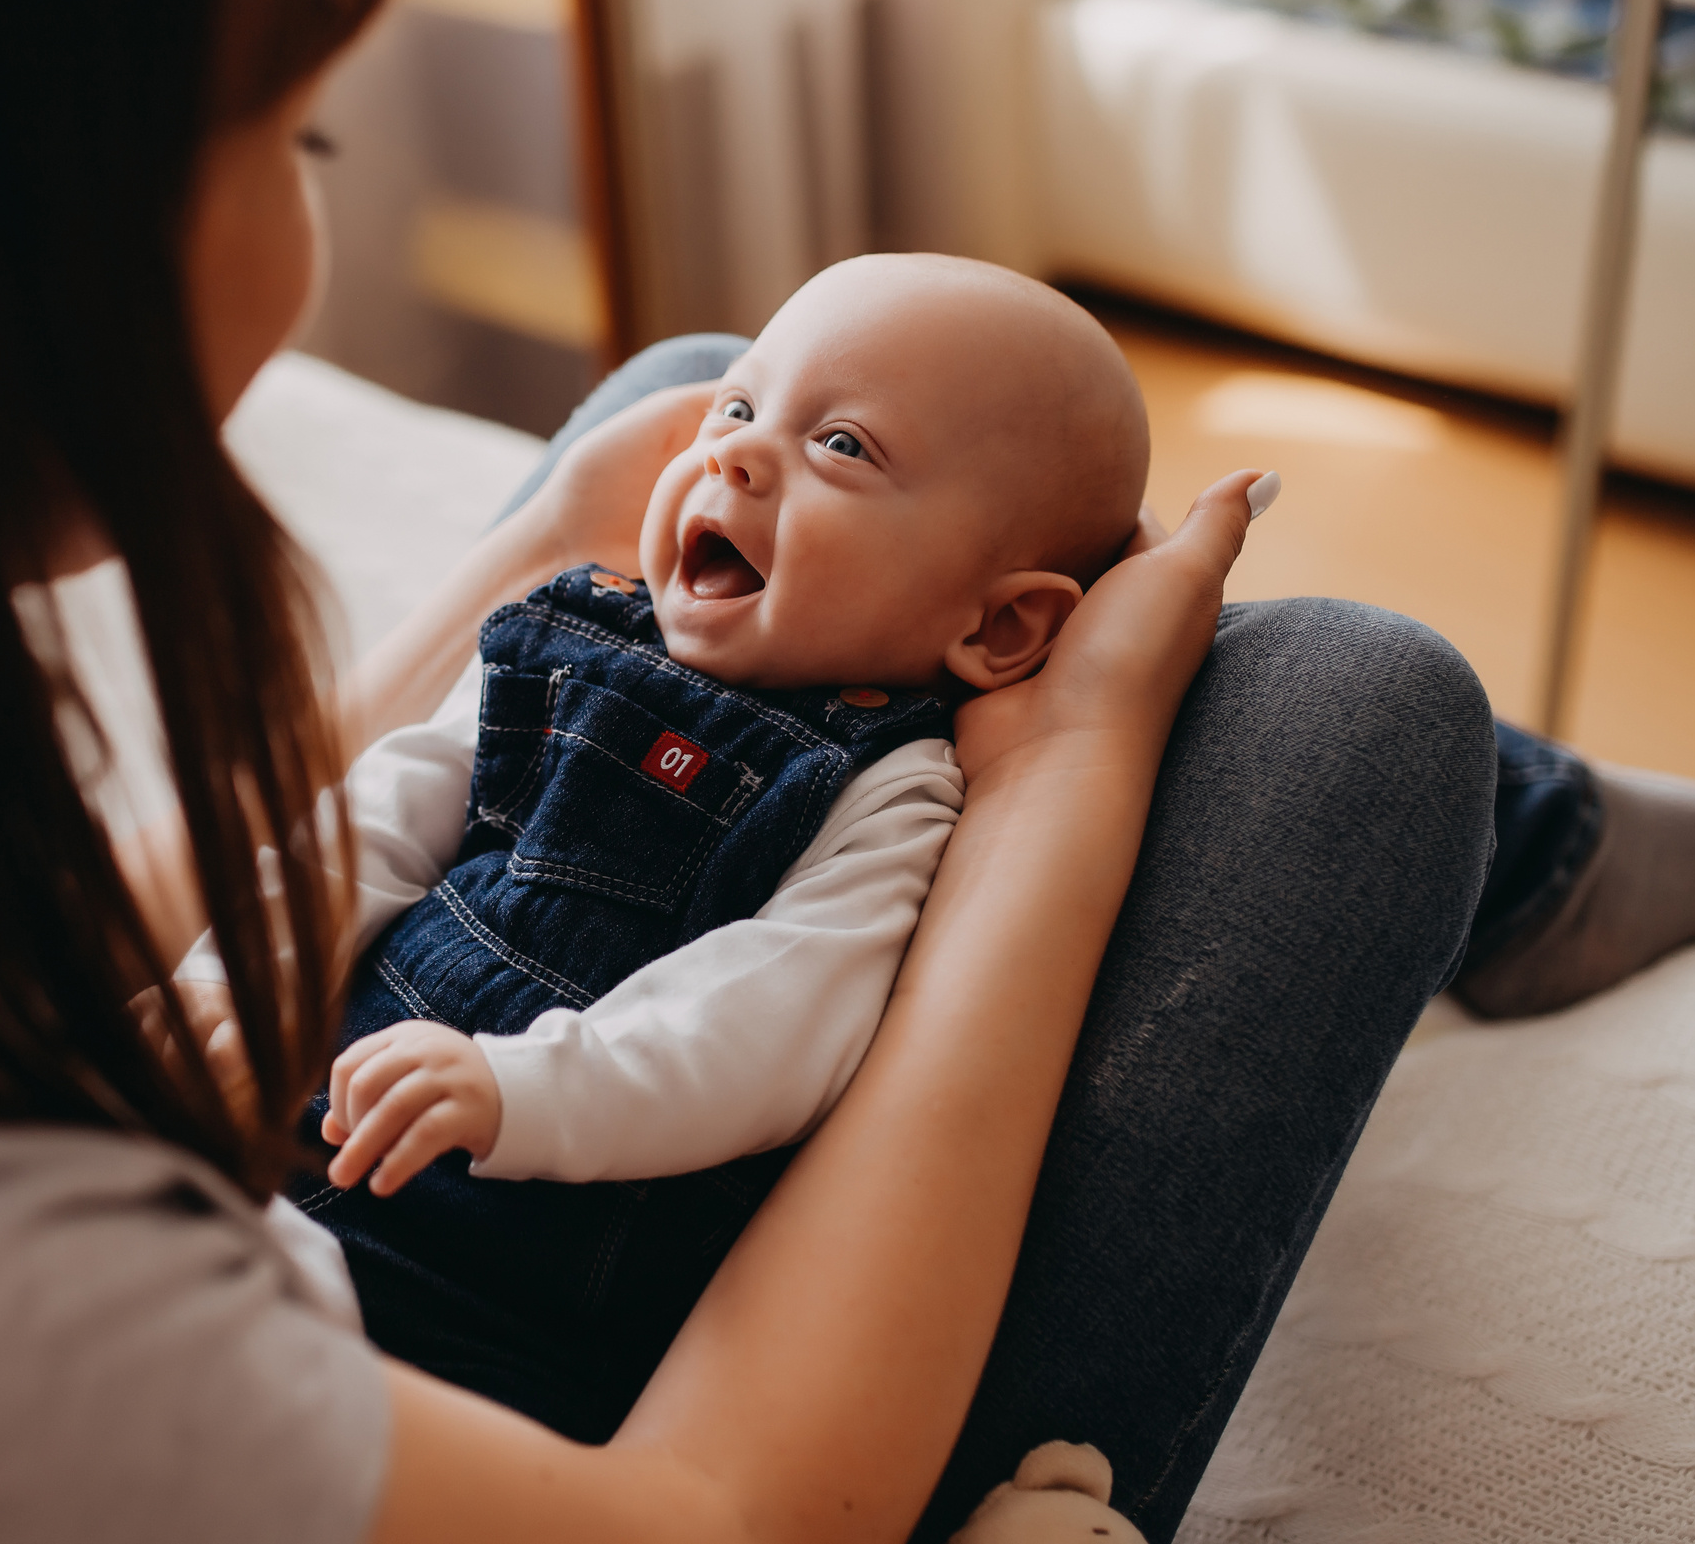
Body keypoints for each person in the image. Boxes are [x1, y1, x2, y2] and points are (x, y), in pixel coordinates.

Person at [0, 0, 1695, 1544]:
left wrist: (529, 560)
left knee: (708, 371)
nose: (314, 189)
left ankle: (1538, 835)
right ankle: (1528, 834)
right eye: (292, 118)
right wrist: (1047, 781)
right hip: (571, 1338)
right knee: (1342, 697)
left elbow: (135, 924)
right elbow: (733, 1500)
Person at [211, 256, 1159, 1442]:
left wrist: (520, 1087)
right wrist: (236, 979)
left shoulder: (890, 788)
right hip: (296, 1147)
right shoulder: (566, 632)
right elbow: (381, 817)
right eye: (740, 406)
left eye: (845, 447)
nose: (737, 454)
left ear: (998, 624)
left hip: (516, 1290)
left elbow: (768, 1028)